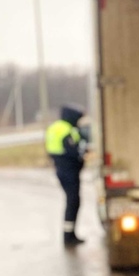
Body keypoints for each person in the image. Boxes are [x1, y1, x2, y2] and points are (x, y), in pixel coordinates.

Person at [45, 104, 88, 247]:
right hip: (69, 171)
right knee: (73, 202)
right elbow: (74, 152)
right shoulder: (66, 130)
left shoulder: (54, 128)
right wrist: (82, 154)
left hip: (60, 169)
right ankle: (69, 236)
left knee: (71, 201)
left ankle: (69, 234)